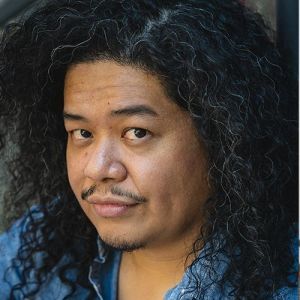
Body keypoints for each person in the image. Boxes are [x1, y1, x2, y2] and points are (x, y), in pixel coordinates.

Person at [0, 0, 298, 299]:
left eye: (137, 132)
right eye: (83, 133)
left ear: (224, 138)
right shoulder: (43, 244)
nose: (97, 168)